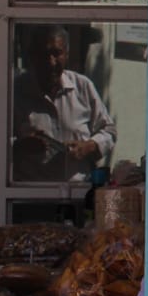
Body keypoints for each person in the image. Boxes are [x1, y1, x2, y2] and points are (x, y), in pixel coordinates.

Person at [11, 26, 114, 181]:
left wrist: (89, 146)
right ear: (32, 57)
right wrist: (20, 146)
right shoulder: (16, 91)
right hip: (30, 196)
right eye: (44, 55)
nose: (51, 62)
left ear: (66, 55)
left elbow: (108, 131)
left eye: (57, 54)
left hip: (77, 195)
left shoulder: (83, 87)